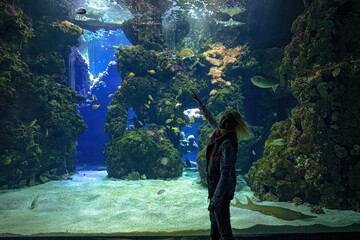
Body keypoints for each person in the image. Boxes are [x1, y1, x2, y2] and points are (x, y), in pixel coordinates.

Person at [192, 90, 252, 240]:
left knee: (224, 229)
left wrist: (216, 199)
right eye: (224, 117)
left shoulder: (227, 144)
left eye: (228, 120)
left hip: (222, 192)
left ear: (233, 125)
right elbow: (211, 118)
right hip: (214, 189)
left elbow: (225, 175)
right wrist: (200, 103)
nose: (223, 121)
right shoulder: (219, 133)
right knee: (214, 224)